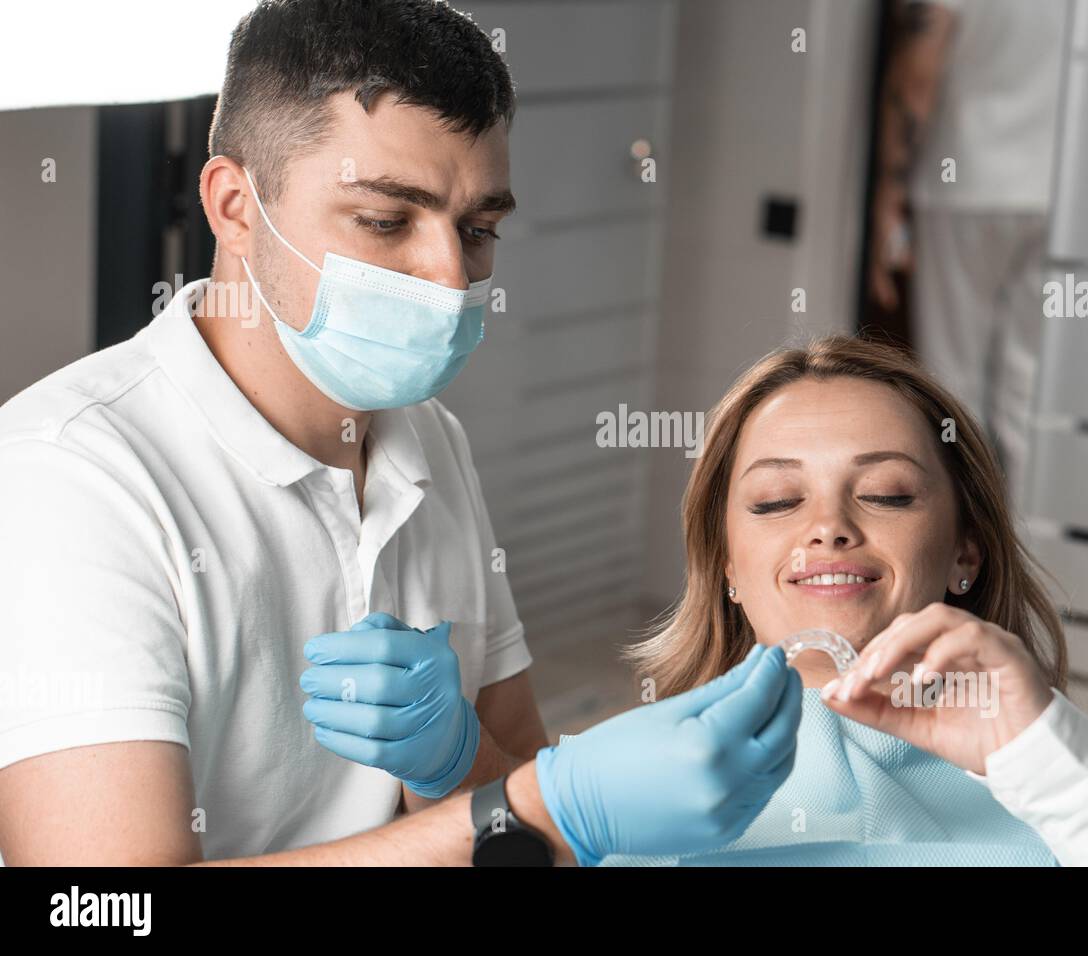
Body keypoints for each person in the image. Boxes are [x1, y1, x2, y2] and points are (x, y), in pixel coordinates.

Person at [0, 0, 801, 866]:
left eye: (480, 229)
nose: (449, 274)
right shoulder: (70, 478)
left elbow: (512, 786)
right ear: (234, 205)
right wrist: (543, 806)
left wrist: (464, 764)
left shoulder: (428, 439)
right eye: (386, 221)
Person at [609, 335, 1088, 865]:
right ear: (727, 566)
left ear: (964, 552)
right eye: (777, 501)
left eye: (886, 494)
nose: (828, 526)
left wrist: (1050, 767)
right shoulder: (643, 796)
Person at [868, 0, 1068, 509]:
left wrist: (887, 191)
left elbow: (917, 71)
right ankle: (1024, 566)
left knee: (951, 386)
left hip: (964, 185)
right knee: (1029, 393)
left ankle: (959, 554)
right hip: (1056, 190)